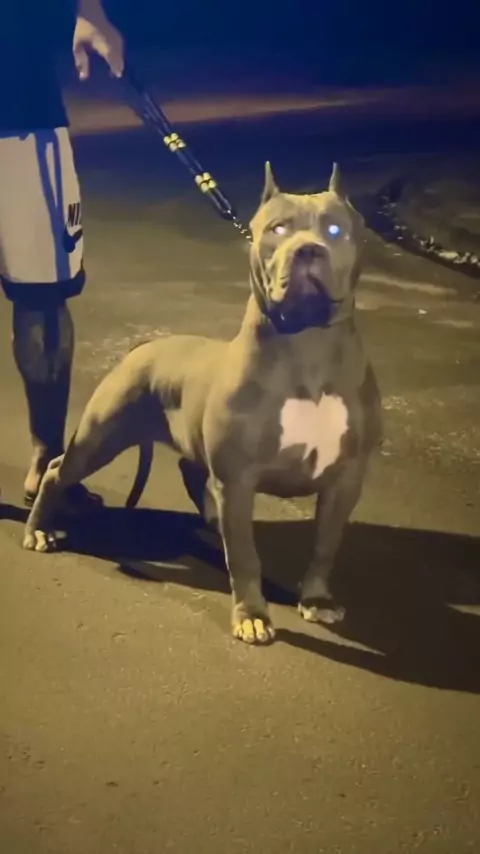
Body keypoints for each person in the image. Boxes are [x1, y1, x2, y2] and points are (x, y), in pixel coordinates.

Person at [0, 1, 124, 508]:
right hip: (24, 114)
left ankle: (48, 462)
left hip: (20, 107)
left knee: (43, 297)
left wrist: (88, 9)